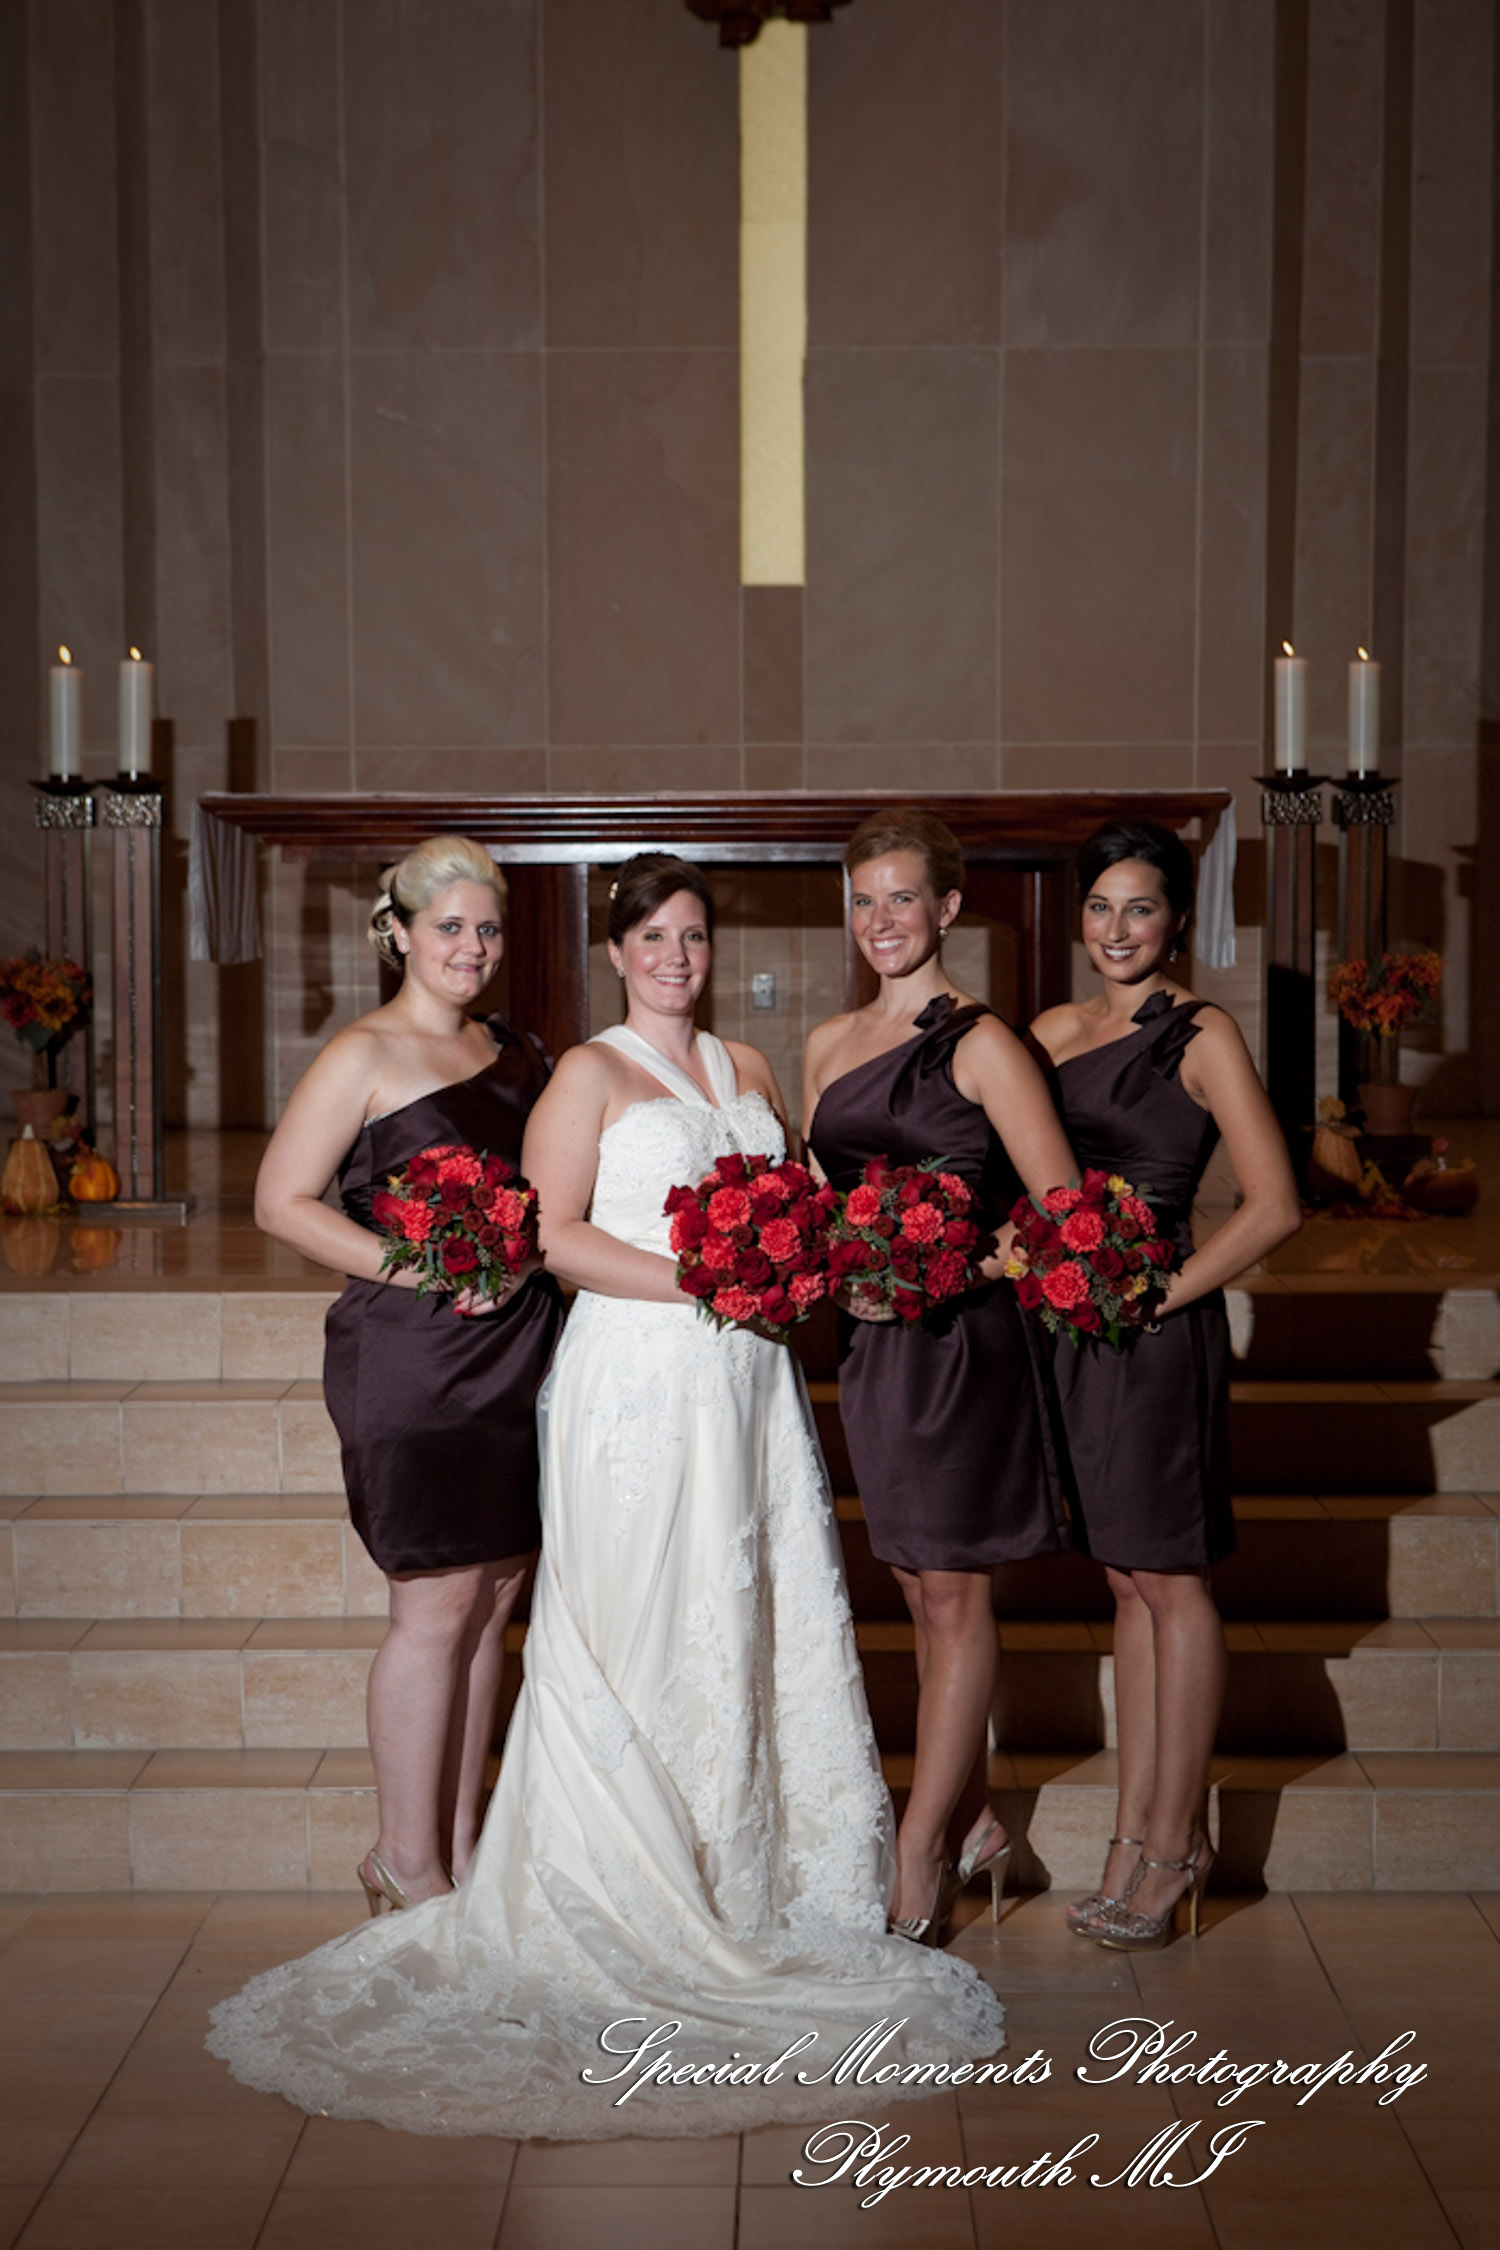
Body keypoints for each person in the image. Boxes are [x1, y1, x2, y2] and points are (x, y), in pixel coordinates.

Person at [207, 851, 1002, 2141]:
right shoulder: (574, 1070)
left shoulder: (737, 1067)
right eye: (652, 939)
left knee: (717, 1612)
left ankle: (707, 1860)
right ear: (617, 954)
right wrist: (705, 1276)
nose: (675, 957)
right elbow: (552, 1231)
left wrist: (813, 1254)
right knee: (572, 1617)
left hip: (744, 1386)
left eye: (694, 936)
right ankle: (466, 1863)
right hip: (630, 1377)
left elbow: (800, 1202)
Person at [252, 835, 563, 1910]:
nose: (472, 947)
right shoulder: (363, 1053)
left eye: (488, 929)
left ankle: (460, 1847)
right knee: (434, 1607)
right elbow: (280, 1202)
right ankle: (402, 1856)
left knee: (494, 1601)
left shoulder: (517, 1050)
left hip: (519, 1350)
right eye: (449, 927)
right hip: (415, 1358)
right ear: (397, 932)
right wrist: (423, 1266)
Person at [1028, 818, 1300, 1949]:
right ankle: (1132, 1836)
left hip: (1156, 1334)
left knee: (1171, 1581)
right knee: (1126, 1580)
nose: (1117, 929)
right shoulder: (1052, 1031)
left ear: (1177, 919)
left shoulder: (1203, 1033)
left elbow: (1275, 1203)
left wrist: (1160, 1296)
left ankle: (1177, 1843)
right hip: (1072, 1333)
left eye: (1139, 908)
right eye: (1100, 907)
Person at [805, 810, 1076, 1945]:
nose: (881, 920)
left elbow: (1062, 1211)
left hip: (962, 1348)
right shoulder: (829, 1042)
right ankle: (972, 1821)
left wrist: (945, 1265)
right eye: (864, 899)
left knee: (955, 1592)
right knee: (917, 1588)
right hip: (872, 1352)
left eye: (903, 898)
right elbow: (820, 1200)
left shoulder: (983, 1042)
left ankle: (919, 1853)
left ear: (949, 908)